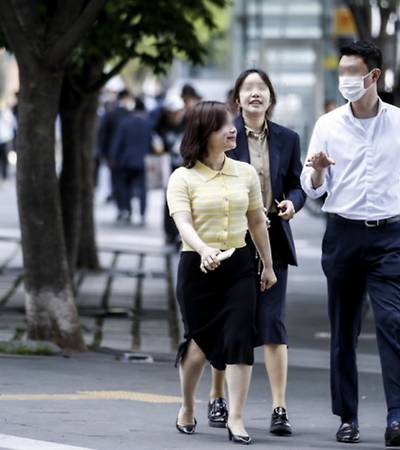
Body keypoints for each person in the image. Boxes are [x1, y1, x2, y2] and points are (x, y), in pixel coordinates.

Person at [300, 40, 400, 447]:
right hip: (343, 234)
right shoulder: (328, 125)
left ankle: (396, 417)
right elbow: (312, 189)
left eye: (352, 72)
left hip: (390, 236)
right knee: (344, 329)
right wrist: (318, 172)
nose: (345, 80)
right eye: (341, 73)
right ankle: (348, 417)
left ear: (373, 76)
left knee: (392, 322)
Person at [167, 101, 277, 445]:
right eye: (222, 126)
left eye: (231, 124)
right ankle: (187, 406)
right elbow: (182, 222)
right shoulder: (182, 176)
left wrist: (268, 265)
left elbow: (257, 221)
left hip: (239, 266)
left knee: (240, 340)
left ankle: (237, 418)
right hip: (196, 269)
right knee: (198, 346)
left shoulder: (244, 172)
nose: (232, 130)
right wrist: (203, 249)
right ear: (203, 134)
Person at [204, 69, 306, 436]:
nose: (255, 94)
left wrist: (292, 204)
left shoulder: (288, 139)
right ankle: (218, 397)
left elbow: (297, 185)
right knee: (231, 324)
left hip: (273, 242)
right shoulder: (223, 134)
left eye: (261, 88)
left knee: (274, 325)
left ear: (270, 97)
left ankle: (279, 408)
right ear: (237, 99)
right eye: (248, 88)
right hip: (231, 242)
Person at [110, 98, 153, 225]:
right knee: (143, 188)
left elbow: (118, 142)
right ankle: (142, 214)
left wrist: (114, 157)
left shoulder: (125, 123)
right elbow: (152, 143)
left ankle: (128, 211)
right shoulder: (148, 124)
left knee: (126, 187)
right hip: (144, 161)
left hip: (126, 160)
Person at [155, 95, 187, 245]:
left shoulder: (187, 125)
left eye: (178, 112)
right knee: (169, 201)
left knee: (184, 202)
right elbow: (155, 144)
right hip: (167, 168)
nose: (175, 116)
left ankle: (182, 233)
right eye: (172, 113)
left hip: (184, 167)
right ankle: (170, 233)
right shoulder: (160, 126)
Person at [99, 89, 134, 211]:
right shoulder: (130, 114)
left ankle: (121, 207)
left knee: (117, 181)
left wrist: (104, 153)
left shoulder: (110, 114)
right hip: (128, 154)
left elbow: (103, 134)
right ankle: (127, 207)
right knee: (127, 182)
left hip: (113, 154)